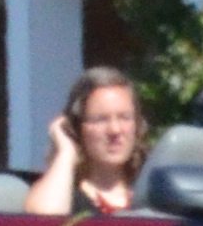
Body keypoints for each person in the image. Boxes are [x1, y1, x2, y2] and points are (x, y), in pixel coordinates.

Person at [24, 65, 148, 215]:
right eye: (100, 120)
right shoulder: (66, 195)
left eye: (124, 118)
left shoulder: (154, 194)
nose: (115, 130)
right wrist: (66, 152)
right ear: (77, 128)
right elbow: (43, 219)